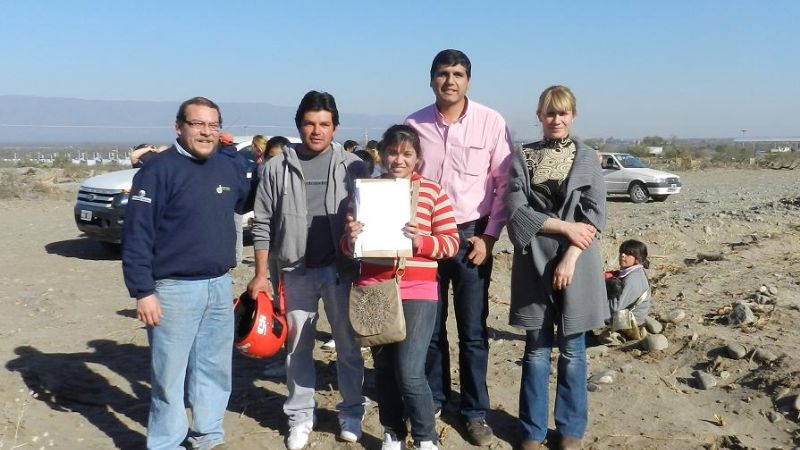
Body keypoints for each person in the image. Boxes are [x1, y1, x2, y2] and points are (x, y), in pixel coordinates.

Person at [122, 97, 251, 450]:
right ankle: (166, 442)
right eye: (198, 124)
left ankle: (208, 435)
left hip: (219, 285)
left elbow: (245, 201)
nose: (206, 132)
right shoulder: (158, 170)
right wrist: (143, 290)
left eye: (213, 125)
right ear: (178, 127)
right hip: (173, 290)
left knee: (214, 369)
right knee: (169, 376)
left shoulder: (228, 168)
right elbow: (137, 234)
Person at [247, 90, 369, 450]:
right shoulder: (273, 168)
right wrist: (260, 273)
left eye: (324, 124)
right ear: (298, 125)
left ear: (335, 127)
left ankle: (351, 411)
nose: (316, 131)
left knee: (348, 347)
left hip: (341, 270)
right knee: (297, 348)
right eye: (309, 124)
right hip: (294, 271)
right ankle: (300, 416)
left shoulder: (354, 166)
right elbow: (263, 223)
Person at [405, 48, 512, 446]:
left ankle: (474, 411)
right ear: (431, 78)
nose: (450, 80)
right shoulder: (414, 124)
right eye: (443, 73)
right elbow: (402, 177)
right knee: (429, 328)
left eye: (458, 74)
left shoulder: (491, 122)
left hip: (471, 238)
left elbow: (504, 185)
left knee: (472, 330)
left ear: (468, 80)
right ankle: (434, 397)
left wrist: (489, 237)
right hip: (426, 242)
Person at [341, 125, 459, 450]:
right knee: (383, 369)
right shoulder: (366, 192)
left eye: (407, 153)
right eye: (393, 152)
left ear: (418, 158)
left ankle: (425, 437)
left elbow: (451, 243)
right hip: (374, 287)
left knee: (409, 372)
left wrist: (421, 240)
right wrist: (351, 238)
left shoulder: (433, 192)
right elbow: (347, 247)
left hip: (418, 291)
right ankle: (392, 430)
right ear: (382, 154)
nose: (399, 159)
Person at [505, 85, 607, 450]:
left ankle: (570, 431)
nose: (556, 119)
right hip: (532, 260)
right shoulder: (522, 156)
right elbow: (516, 214)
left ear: (573, 116)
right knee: (535, 349)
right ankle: (531, 431)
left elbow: (596, 215)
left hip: (578, 261)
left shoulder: (587, 158)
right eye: (550, 113)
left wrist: (570, 256)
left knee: (573, 350)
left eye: (563, 113)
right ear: (539, 117)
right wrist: (564, 227)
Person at [606, 239, 652, 340]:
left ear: (637, 259)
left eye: (628, 254)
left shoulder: (633, 279)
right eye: (622, 252)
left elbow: (615, 308)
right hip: (625, 315)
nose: (622, 255)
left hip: (630, 323)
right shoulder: (631, 272)